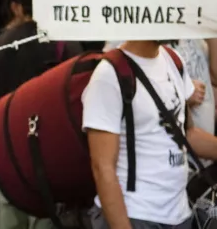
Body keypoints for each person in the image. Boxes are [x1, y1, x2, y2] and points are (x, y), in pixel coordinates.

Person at [0, 0, 83, 229]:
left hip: (9, 163)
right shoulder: (65, 41)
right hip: (52, 163)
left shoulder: (0, 43)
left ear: (18, 5)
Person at [83, 40, 217, 229]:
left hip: (180, 215)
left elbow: (186, 134)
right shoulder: (109, 74)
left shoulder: (173, 60)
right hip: (137, 215)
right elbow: (103, 167)